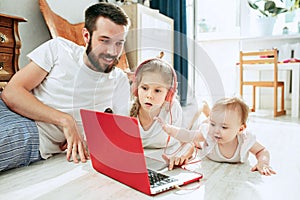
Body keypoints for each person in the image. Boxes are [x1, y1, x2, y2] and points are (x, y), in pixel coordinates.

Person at [0, 2, 131, 172]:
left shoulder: (119, 81)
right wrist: (65, 120)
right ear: (86, 36)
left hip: (32, 130)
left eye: (119, 43)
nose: (112, 52)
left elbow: (120, 138)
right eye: (104, 41)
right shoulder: (59, 49)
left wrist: (89, 139)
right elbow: (11, 92)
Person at [156, 97, 276, 176]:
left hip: (209, 133)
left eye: (224, 127)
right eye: (213, 124)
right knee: (196, 140)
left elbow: (262, 151)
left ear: (240, 129)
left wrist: (263, 163)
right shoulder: (209, 132)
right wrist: (168, 128)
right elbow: (188, 135)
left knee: (208, 127)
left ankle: (207, 111)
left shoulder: (244, 140)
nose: (216, 131)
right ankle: (207, 113)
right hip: (204, 137)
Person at [129, 58, 194, 170]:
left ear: (168, 94)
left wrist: (181, 155)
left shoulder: (172, 109)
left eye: (157, 91)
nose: (149, 95)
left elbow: (189, 142)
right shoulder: (126, 109)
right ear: (136, 88)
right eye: (144, 88)